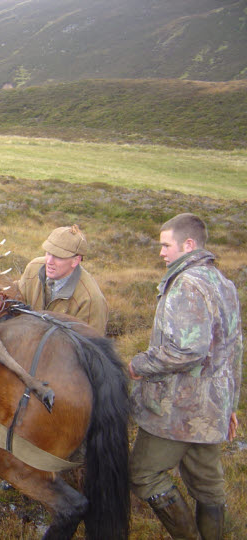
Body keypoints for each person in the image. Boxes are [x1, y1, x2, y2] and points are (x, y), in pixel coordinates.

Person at [128, 213, 243, 540]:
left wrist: (140, 364)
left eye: (166, 245)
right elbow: (234, 347)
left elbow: (188, 350)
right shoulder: (223, 283)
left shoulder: (187, 284)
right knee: (208, 486)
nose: (161, 252)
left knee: (143, 473)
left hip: (178, 410)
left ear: (188, 244)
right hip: (211, 409)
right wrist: (230, 404)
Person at [18, 224, 108, 334]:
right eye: (48, 253)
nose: (49, 261)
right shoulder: (34, 268)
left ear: (75, 261)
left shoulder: (91, 301)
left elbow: (91, 342)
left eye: (58, 257)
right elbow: (18, 295)